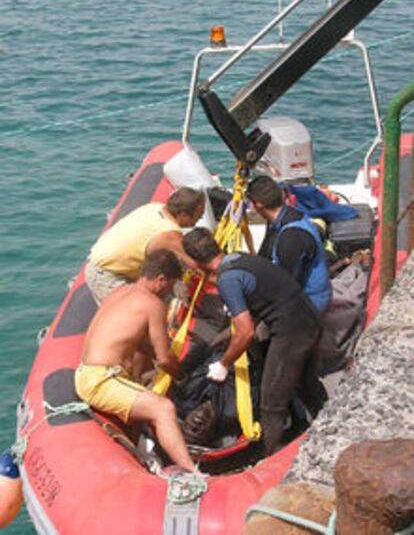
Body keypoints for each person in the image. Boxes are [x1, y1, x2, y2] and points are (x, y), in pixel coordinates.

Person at [182, 228, 326, 456]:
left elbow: (246, 332)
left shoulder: (227, 279)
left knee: (271, 403)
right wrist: (220, 342)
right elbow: (260, 303)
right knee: (306, 382)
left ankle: (269, 457)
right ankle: (328, 426)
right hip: (308, 316)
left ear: (197, 262)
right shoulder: (239, 259)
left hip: (291, 330)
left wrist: (223, 364)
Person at [75, 249, 196, 472]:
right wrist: (182, 378)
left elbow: (142, 346)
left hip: (86, 372)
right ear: (161, 280)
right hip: (101, 380)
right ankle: (193, 472)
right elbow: (164, 358)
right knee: (164, 409)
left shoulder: (119, 291)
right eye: (169, 286)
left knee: (144, 394)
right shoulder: (152, 304)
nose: (169, 292)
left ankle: (142, 455)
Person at [85, 187, 206, 303]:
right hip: (106, 274)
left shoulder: (155, 207)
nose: (199, 220)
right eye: (198, 215)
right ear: (183, 215)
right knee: (134, 315)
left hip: (103, 258)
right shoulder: (169, 234)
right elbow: (197, 266)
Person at [246, 176, 332, 313]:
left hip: (311, 305)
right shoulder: (283, 217)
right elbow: (264, 257)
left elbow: (286, 285)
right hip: (301, 293)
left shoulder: (291, 236)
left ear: (258, 205)